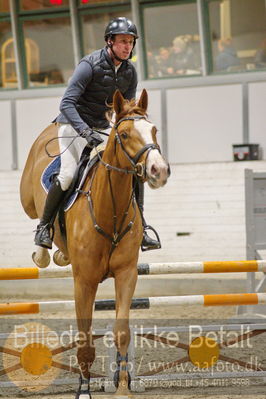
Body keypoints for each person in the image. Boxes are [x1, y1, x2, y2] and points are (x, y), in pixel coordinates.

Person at [34, 16, 161, 252]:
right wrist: (84, 131)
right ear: (109, 42)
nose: (127, 47)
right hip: (73, 125)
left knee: (132, 168)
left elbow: (125, 109)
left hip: (101, 128)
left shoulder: (129, 72)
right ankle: (44, 226)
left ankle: (142, 228)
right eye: (123, 41)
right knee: (69, 175)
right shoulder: (88, 65)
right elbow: (66, 104)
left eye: (131, 42)